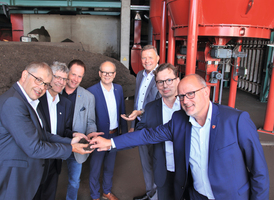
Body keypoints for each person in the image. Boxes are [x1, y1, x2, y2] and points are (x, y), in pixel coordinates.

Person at [90, 74, 270, 200]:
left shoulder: (236, 120)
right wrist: (110, 142)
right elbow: (147, 135)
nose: (185, 101)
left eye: (190, 94)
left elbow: (259, 172)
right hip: (196, 195)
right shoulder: (179, 120)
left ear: (206, 92)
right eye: (181, 96)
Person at [0, 62, 91, 200]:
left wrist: (70, 141)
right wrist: (71, 148)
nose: (41, 87)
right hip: (9, 177)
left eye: (45, 84)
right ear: (24, 75)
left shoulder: (27, 100)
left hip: (21, 173)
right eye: (38, 80)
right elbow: (34, 147)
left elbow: (41, 134)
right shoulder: (13, 102)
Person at [135, 63, 180, 200]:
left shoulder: (187, 105)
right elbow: (140, 130)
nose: (165, 85)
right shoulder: (150, 108)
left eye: (169, 80)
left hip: (185, 170)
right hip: (162, 168)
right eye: (160, 82)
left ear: (177, 80)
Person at [121, 44, 161, 200]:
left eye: (150, 57)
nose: (147, 60)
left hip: (155, 126)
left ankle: (158, 195)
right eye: (144, 57)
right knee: (145, 163)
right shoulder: (139, 75)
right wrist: (133, 125)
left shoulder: (161, 76)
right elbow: (137, 101)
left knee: (156, 162)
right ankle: (151, 194)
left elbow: (160, 104)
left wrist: (141, 113)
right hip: (140, 124)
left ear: (157, 58)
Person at [87, 61, 128, 200]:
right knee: (95, 168)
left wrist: (124, 131)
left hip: (114, 135)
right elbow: (89, 116)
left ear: (114, 74)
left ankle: (106, 191)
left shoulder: (118, 89)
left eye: (110, 73)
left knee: (110, 167)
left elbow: (122, 110)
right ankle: (94, 196)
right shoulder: (91, 91)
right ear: (99, 73)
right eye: (104, 72)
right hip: (99, 136)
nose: (107, 75)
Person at [34, 61, 75, 200]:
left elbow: (66, 131)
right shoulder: (36, 100)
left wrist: (75, 135)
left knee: (49, 195)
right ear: (49, 77)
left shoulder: (66, 104)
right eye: (57, 77)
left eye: (64, 79)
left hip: (55, 159)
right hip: (37, 159)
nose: (61, 82)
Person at [61, 59, 97, 200]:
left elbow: (90, 121)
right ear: (67, 73)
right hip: (55, 142)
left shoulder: (88, 97)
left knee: (74, 181)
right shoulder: (54, 91)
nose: (76, 79)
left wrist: (91, 134)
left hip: (76, 145)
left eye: (80, 76)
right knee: (48, 178)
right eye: (73, 74)